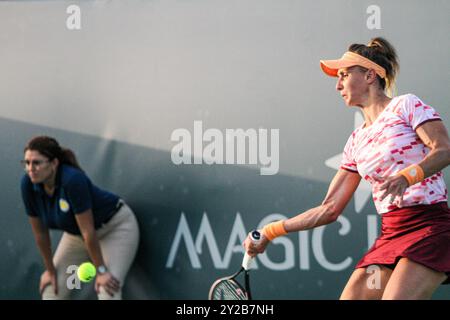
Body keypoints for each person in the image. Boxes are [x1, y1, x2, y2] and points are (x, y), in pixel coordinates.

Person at [244, 37, 450, 300]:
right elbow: (329, 209)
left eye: (343, 75)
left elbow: (443, 149)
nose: (338, 85)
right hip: (391, 235)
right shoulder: (355, 142)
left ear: (369, 75)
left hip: (430, 230)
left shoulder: (406, 105)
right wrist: (271, 231)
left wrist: (407, 177)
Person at [20, 136, 140, 300]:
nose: (30, 168)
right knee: (51, 290)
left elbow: (88, 231)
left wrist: (102, 271)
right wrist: (50, 270)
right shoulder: (27, 184)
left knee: (108, 290)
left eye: (36, 163)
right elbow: (40, 234)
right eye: (26, 163)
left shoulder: (72, 180)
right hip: (77, 236)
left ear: (54, 163)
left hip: (115, 228)